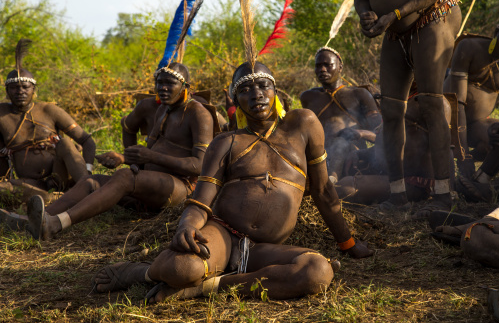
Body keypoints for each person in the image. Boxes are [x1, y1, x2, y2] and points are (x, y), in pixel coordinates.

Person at [91, 60, 373, 303]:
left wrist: (347, 243)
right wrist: (186, 226)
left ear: (275, 91)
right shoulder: (227, 141)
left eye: (263, 86)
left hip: (264, 250)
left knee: (317, 271)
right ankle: (141, 271)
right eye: (245, 89)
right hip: (224, 234)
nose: (256, 95)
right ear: (235, 100)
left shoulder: (303, 124)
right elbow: (200, 201)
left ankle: (204, 288)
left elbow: (323, 189)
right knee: (181, 269)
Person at [21, 63, 215, 240]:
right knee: (92, 181)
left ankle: (57, 224)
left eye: (169, 83)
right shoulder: (164, 110)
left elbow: (200, 165)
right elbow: (130, 130)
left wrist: (151, 156)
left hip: (181, 188)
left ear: (185, 86)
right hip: (151, 185)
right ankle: (37, 219)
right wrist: (127, 158)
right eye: (159, 83)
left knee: (124, 177)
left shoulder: (198, 114)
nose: (163, 88)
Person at [352, 0, 462, 216]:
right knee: (390, 110)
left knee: (431, 103)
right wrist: (366, 15)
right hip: (394, 30)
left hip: (434, 16)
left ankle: (444, 195)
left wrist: (397, 13)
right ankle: (398, 195)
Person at [0, 39, 95, 205]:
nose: (20, 91)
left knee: (65, 143)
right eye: (14, 87)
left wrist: (88, 170)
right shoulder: (1, 114)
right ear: (7, 91)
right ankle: (53, 199)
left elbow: (87, 141)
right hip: (29, 183)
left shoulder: (49, 110)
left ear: (33, 90)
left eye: (25, 87)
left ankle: (88, 189)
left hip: (60, 175)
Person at [337, 92, 452, 206]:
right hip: (392, 172)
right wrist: (362, 154)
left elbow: (410, 150)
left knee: (345, 187)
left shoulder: (433, 102)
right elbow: (393, 144)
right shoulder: (408, 97)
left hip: (412, 182)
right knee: (347, 169)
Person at [300, 47, 381, 181]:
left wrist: (360, 133)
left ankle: (332, 180)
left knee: (340, 142)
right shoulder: (308, 97)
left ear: (340, 67)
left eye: (327, 65)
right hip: (320, 155)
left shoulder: (359, 94)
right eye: (318, 66)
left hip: (352, 156)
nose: (322, 70)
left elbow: (381, 134)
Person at [444, 15, 499, 179]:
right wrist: (463, 154)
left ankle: (479, 180)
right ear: (496, 34)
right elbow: (457, 104)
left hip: (476, 124)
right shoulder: (469, 47)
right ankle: (455, 159)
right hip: (446, 121)